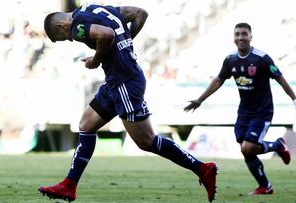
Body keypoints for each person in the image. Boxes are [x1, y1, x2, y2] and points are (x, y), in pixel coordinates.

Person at [39, 3, 217, 202]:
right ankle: (69, 185)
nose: (70, 39)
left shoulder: (77, 25)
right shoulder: (95, 9)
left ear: (61, 26)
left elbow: (106, 35)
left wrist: (96, 60)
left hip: (124, 82)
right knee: (86, 125)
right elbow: (140, 13)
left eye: (64, 38)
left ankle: (203, 169)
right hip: (117, 81)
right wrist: (124, 45)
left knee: (146, 141)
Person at [184, 23, 296, 195]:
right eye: (237, 34)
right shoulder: (230, 60)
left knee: (247, 148)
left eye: (244, 34)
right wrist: (200, 99)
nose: (241, 37)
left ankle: (276, 146)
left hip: (263, 111)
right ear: (233, 38)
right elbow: (218, 80)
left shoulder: (262, 59)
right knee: (246, 150)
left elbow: (280, 79)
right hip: (244, 112)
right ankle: (266, 185)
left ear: (251, 37)